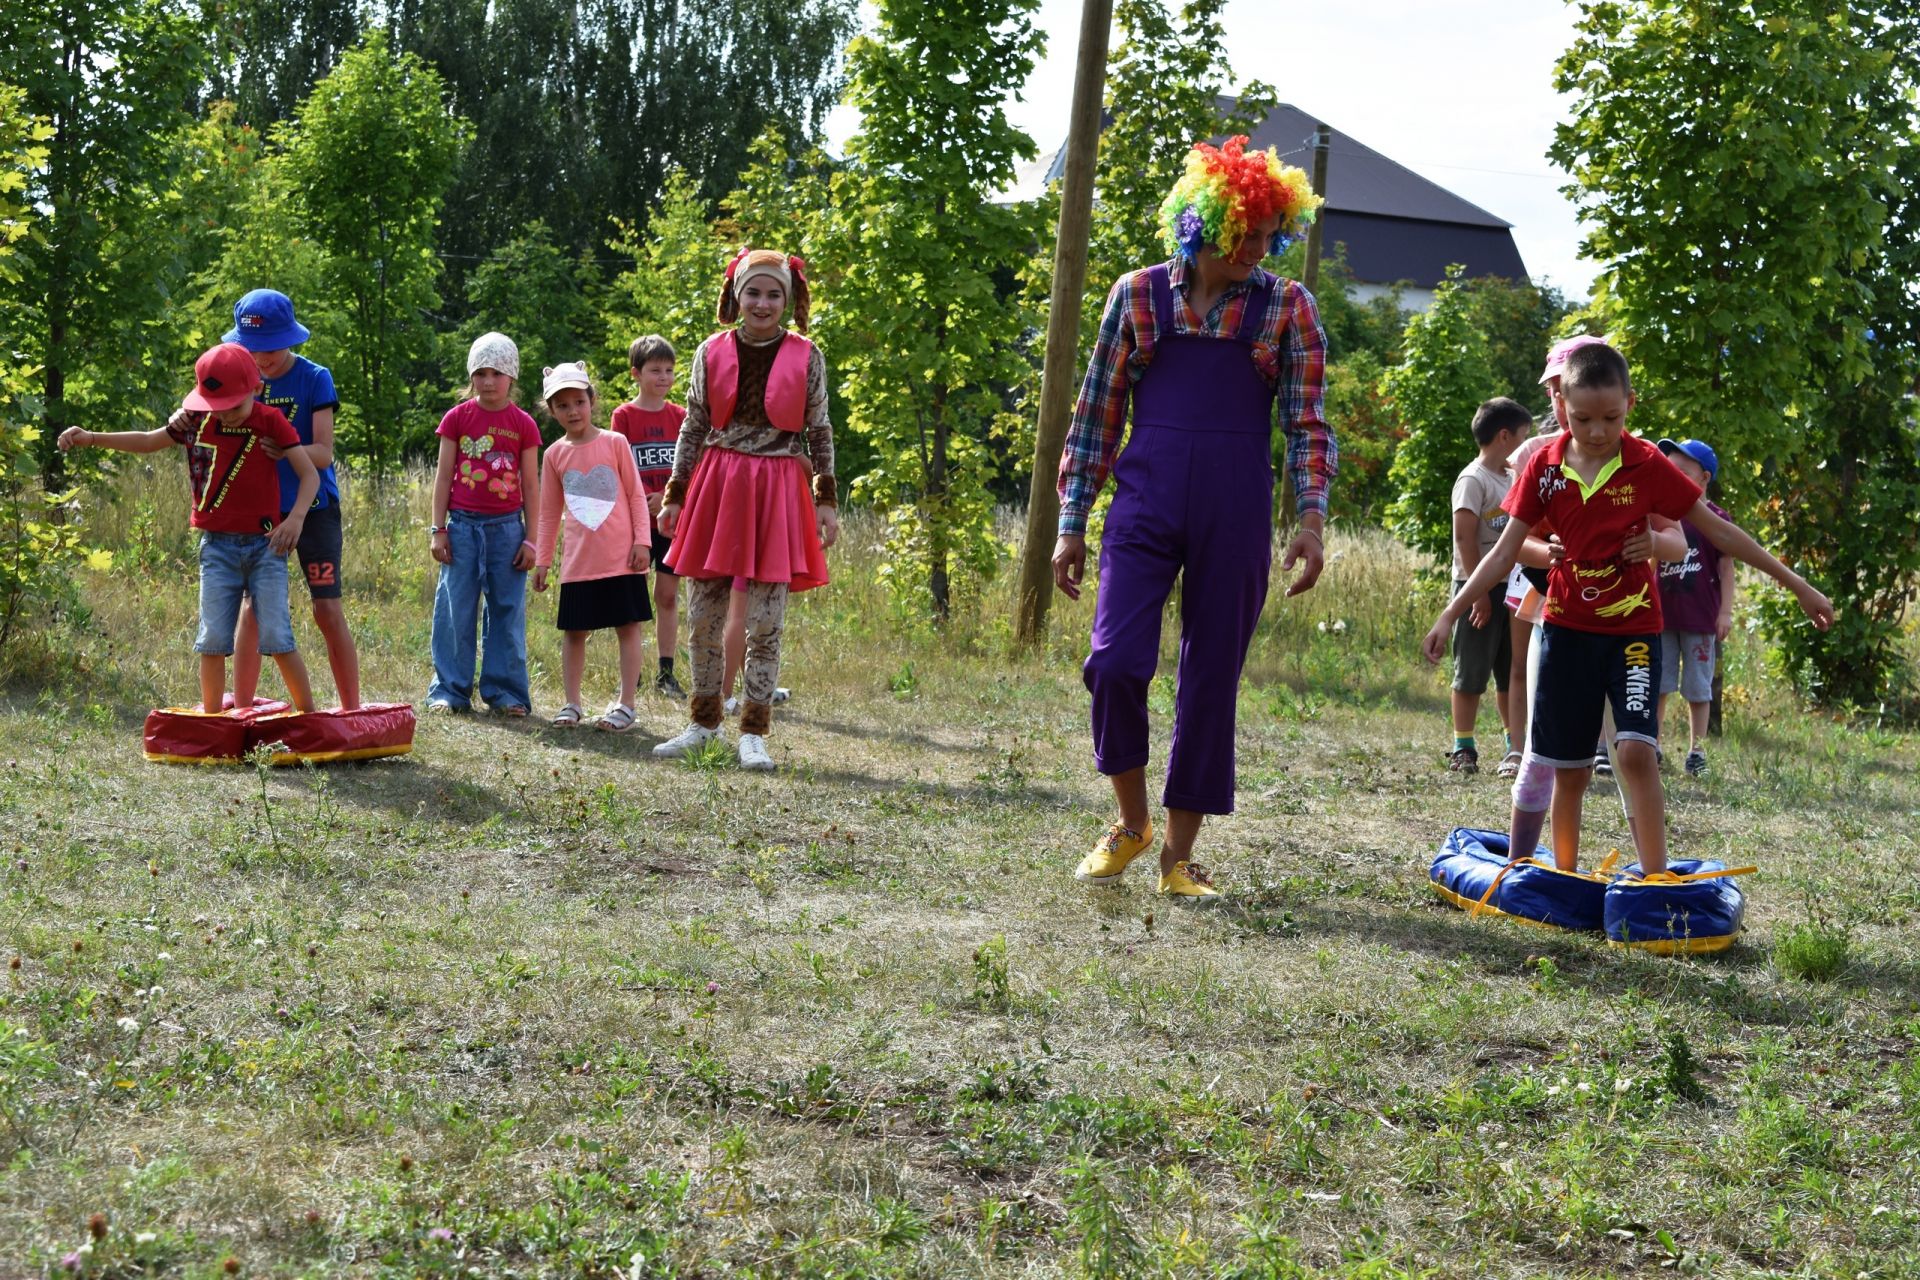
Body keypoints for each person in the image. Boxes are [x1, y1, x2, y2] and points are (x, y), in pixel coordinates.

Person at [1422, 342, 1833, 877]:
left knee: (1636, 752)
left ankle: (1655, 878)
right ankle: (1564, 877)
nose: (1597, 431)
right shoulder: (1543, 467)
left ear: (1630, 404)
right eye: (1583, 418)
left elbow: (1716, 531)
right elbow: (1502, 549)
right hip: (1567, 633)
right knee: (1568, 770)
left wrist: (1797, 584)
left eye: (1611, 418)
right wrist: (1450, 612)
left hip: (1634, 634)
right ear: (1562, 406)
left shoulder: (1646, 464)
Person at [1053, 137, 1333, 900]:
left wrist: (1310, 518)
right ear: (1199, 222)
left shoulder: (1287, 307)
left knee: (1211, 678)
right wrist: (1071, 520)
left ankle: (1180, 859)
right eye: (1242, 230)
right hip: (1144, 500)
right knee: (1114, 662)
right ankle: (1131, 823)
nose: (1256, 247)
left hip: (1236, 507)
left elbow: (1308, 424)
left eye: (1270, 232)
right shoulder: (1138, 295)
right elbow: (1096, 415)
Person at [654, 249, 838, 773]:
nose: (762, 303)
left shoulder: (808, 355)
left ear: (788, 299)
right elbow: (692, 426)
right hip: (717, 482)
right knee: (703, 613)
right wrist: (675, 494)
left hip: (778, 485)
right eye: (752, 291)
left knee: (766, 620)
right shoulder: (711, 351)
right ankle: (704, 722)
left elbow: (819, 428)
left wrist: (825, 499)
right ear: (735, 294)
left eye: (773, 293)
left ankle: (753, 732)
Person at [61, 343, 321, 714]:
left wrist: (295, 519)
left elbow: (309, 474)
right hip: (216, 549)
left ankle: (310, 718)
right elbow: (149, 441)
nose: (227, 414)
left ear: (257, 389)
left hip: (267, 547)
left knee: (278, 637)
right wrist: (91, 437)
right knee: (212, 639)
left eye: (235, 404)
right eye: (218, 405)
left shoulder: (271, 421)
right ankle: (213, 719)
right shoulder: (193, 420)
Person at [172, 290, 361, 710]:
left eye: (272, 347)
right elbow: (200, 409)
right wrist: (177, 419)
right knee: (252, 611)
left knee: (326, 610)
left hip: (311, 510)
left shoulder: (315, 378)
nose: (263, 357)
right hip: (261, 515)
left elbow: (324, 453)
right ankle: (240, 709)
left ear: (291, 337)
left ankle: (351, 711)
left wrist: (284, 446)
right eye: (253, 348)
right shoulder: (235, 377)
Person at [426, 333, 543, 715]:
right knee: (455, 609)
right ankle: (450, 690)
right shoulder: (457, 418)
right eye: (481, 373)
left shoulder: (523, 425)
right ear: (471, 376)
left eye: (497, 373)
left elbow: (530, 484)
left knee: (507, 610)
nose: (488, 381)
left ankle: (506, 692)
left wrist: (532, 540)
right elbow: (443, 478)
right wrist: (438, 529)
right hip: (461, 528)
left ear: (512, 377)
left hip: (507, 530)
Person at [532, 363, 652, 731]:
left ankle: (626, 705)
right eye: (563, 405)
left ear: (592, 401)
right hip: (579, 563)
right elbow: (549, 512)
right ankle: (571, 703)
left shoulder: (615, 442)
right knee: (574, 633)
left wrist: (643, 542)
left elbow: (634, 496)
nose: (573, 411)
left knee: (628, 627)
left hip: (621, 559)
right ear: (551, 411)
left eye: (579, 402)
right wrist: (542, 560)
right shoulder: (553, 454)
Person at [1446, 397, 1532, 774]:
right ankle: (1463, 745)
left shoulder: (1513, 478)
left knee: (1510, 670)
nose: (1526, 446)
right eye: (1523, 437)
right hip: (1475, 587)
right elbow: (1465, 539)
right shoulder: (1473, 480)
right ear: (1503, 436)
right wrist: (1477, 594)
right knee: (1472, 671)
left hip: (1510, 587)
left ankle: (1514, 744)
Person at [610, 334, 689, 699]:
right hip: (635, 520)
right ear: (636, 374)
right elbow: (618, 467)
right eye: (655, 370)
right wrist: (644, 500)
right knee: (633, 596)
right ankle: (633, 672)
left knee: (668, 595)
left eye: (670, 370)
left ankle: (666, 672)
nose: (664, 377)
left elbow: (691, 468)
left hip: (671, 520)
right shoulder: (623, 416)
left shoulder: (681, 417)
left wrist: (671, 497)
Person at [1653, 438, 1733, 778]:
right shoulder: (1661, 514)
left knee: (1698, 688)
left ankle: (1696, 750)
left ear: (1704, 478)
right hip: (1662, 617)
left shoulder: (1716, 519)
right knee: (1658, 682)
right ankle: (1651, 745)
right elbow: (1651, 559)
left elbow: (1726, 569)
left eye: (1681, 472)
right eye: (1668, 471)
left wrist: (1725, 612)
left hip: (1701, 620)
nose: (1672, 478)